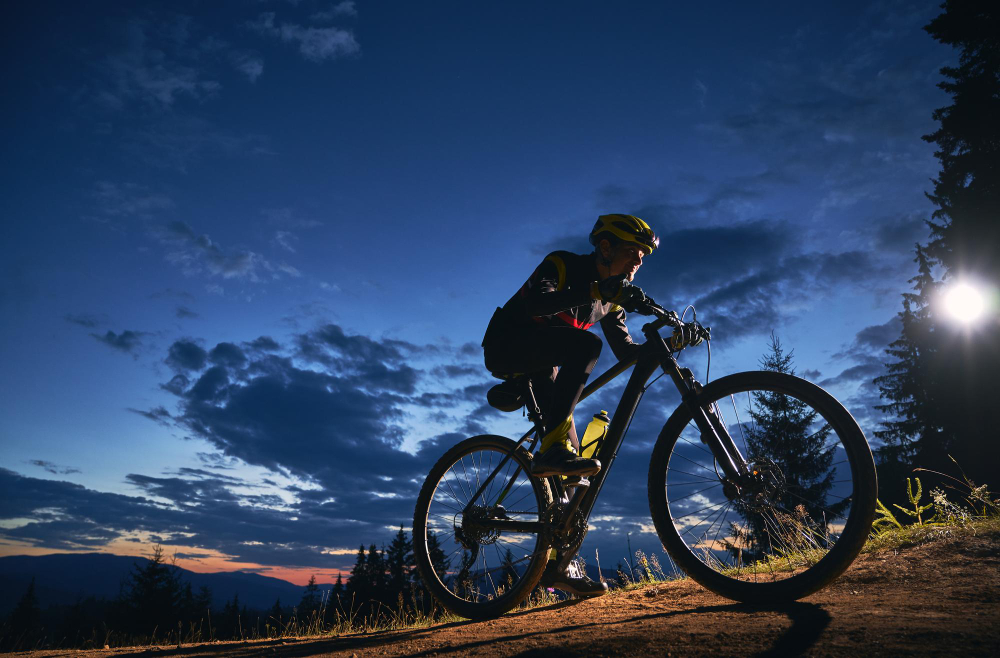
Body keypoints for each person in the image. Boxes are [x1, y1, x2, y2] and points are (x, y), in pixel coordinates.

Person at [480, 213, 658, 597]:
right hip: (507, 347)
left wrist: (661, 345)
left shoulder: (610, 302)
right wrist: (598, 290)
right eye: (632, 252)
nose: (638, 262)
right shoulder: (562, 265)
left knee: (574, 472)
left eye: (643, 256)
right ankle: (551, 451)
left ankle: (561, 568)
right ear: (605, 247)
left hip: (548, 366)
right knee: (584, 346)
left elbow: (627, 352)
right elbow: (537, 306)